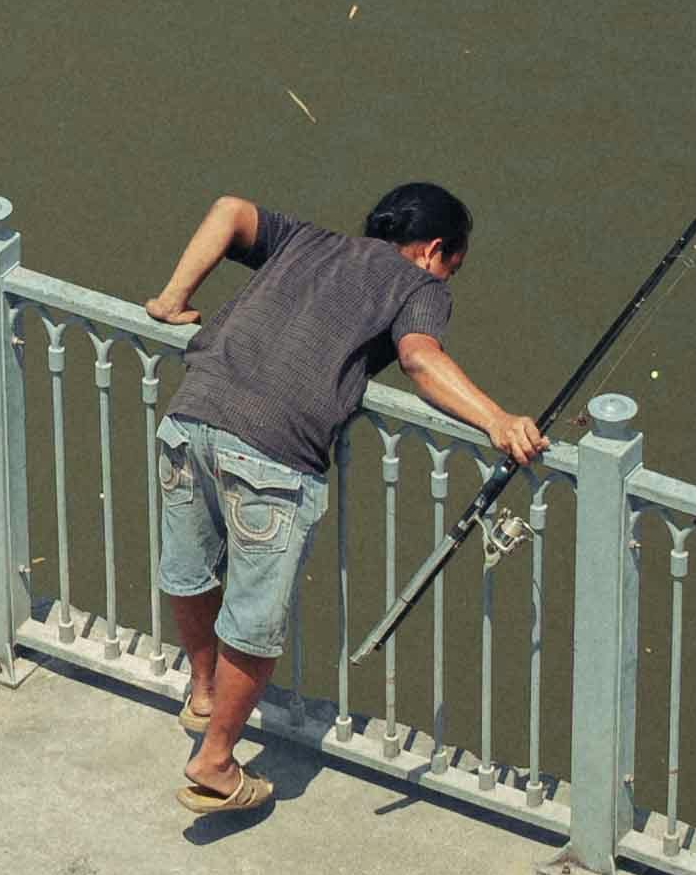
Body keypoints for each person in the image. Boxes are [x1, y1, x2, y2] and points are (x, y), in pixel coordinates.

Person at [143, 178, 540, 815]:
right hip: (272, 453)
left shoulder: (307, 240)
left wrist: (172, 297)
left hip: (192, 414)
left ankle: (204, 692)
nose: (449, 280)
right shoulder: (419, 286)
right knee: (253, 620)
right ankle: (215, 762)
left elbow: (228, 209)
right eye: (454, 267)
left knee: (189, 568)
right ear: (436, 249)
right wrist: (497, 420)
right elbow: (419, 358)